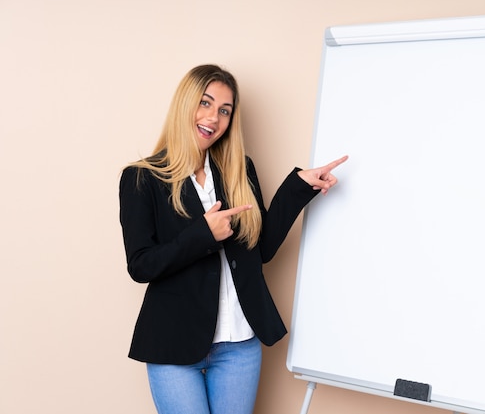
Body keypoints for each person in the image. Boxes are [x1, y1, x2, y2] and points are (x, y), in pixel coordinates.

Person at [118, 64, 347, 414]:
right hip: (173, 346)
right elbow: (141, 264)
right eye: (206, 103)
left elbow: (263, 250)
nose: (214, 118)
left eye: (225, 110)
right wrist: (203, 236)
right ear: (185, 105)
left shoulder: (240, 170)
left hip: (239, 346)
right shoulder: (141, 179)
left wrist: (300, 186)